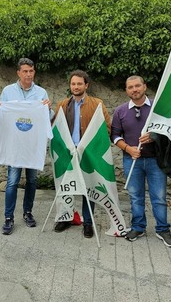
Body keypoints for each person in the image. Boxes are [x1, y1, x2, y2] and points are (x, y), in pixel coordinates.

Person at [111, 75, 171, 247]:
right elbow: (115, 135)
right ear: (126, 90)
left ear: (144, 86)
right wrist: (128, 148)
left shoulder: (157, 108)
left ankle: (162, 229)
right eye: (130, 87)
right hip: (132, 160)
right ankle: (138, 227)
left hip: (156, 161)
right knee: (135, 197)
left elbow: (169, 130)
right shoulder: (120, 111)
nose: (134, 90)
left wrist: (154, 136)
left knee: (159, 197)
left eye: (137, 86)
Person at [0, 57, 53, 235]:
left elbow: (48, 117)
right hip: (15, 146)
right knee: (12, 182)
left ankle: (28, 212)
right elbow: (1, 118)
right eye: (25, 71)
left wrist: (48, 108)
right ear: (18, 73)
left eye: (31, 71)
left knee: (32, 181)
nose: (28, 74)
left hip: (32, 146)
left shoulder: (41, 93)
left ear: (34, 72)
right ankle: (8, 217)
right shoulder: (8, 91)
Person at [52, 70, 111, 238]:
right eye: (73, 83)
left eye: (79, 83)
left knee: (88, 188)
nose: (76, 86)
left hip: (87, 153)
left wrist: (90, 146)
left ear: (86, 85)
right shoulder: (62, 104)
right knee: (66, 186)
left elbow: (106, 129)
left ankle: (88, 222)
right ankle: (65, 218)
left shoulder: (97, 104)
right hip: (67, 153)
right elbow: (55, 128)